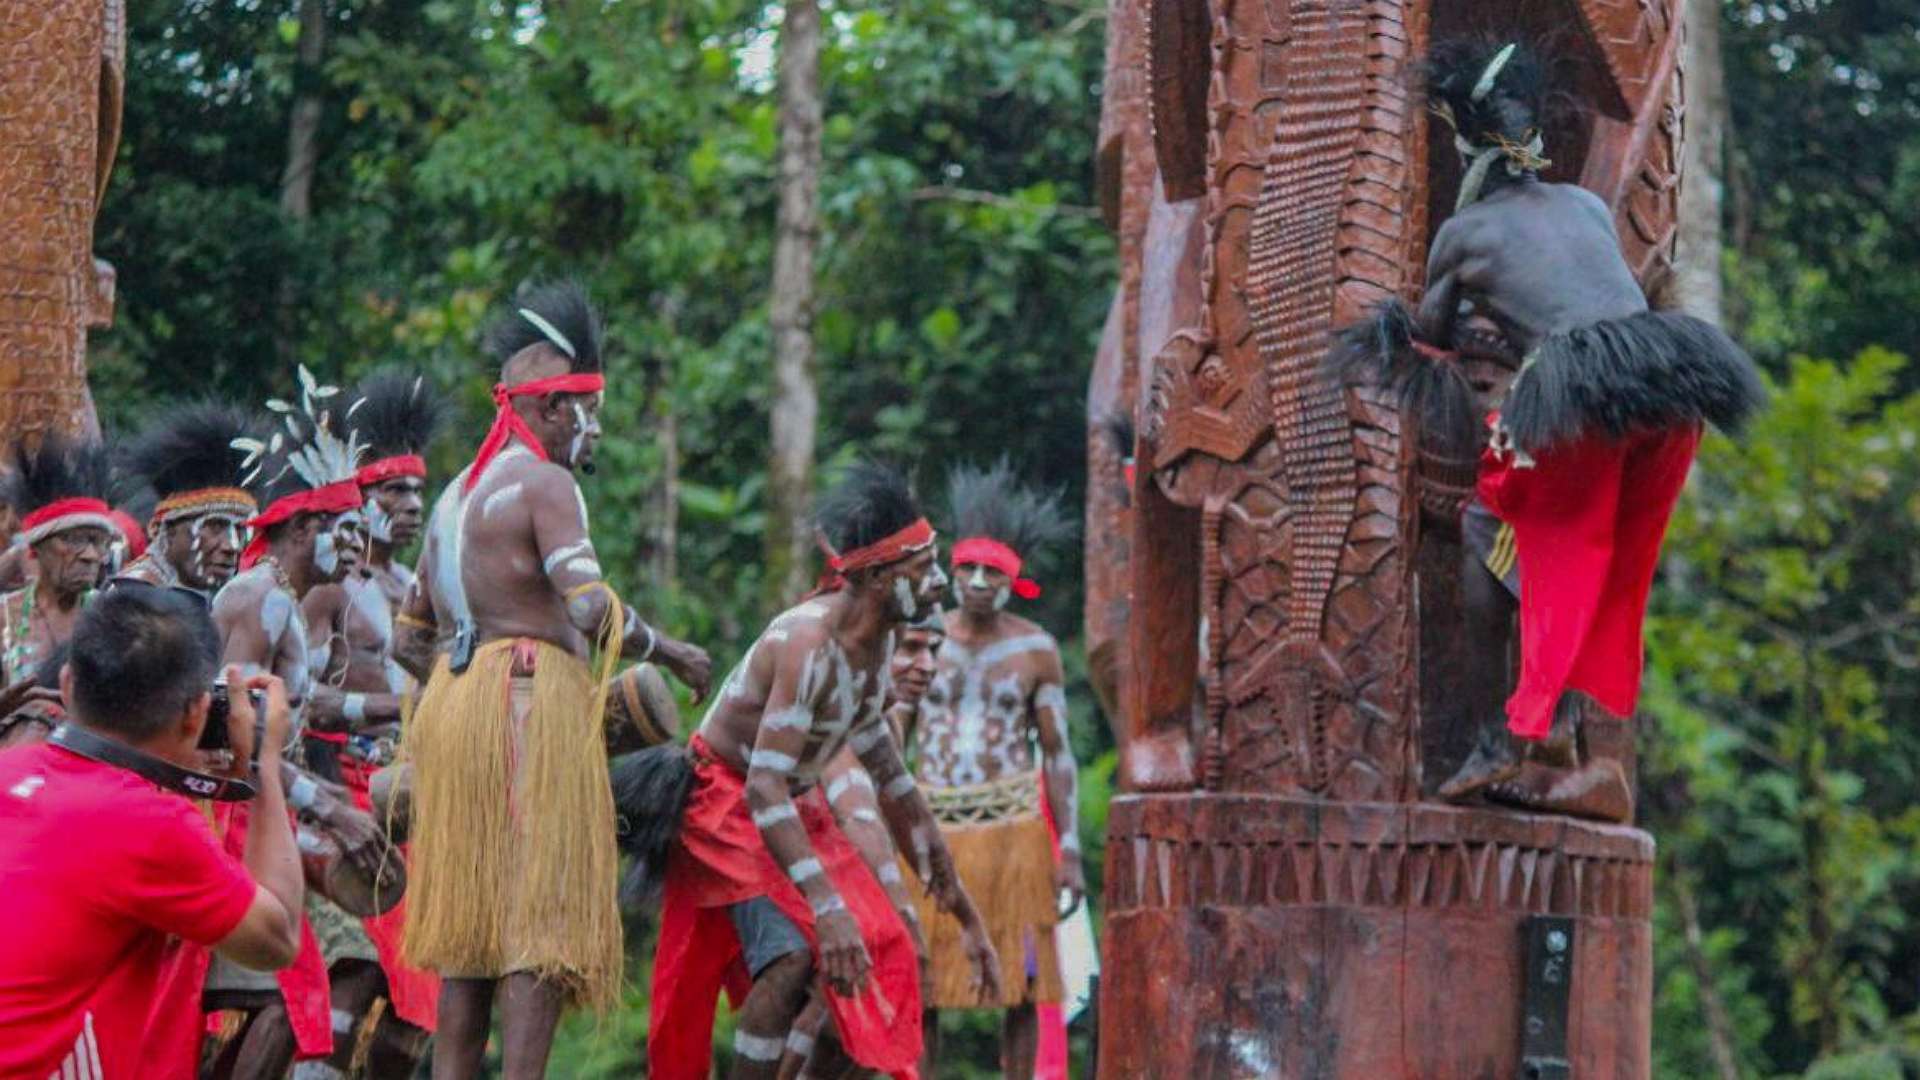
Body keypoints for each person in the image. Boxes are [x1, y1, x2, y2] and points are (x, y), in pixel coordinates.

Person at [1329, 38, 1765, 804]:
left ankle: (1501, 738)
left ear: (1465, 146)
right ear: (1531, 142)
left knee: (1482, 530)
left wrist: (1420, 322)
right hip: (1669, 382)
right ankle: (1557, 717)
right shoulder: (1586, 205)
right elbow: (1593, 296)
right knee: (1577, 547)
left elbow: (1433, 332)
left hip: (1579, 393)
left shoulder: (1463, 235)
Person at [401, 282, 711, 1080]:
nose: (594, 430)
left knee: (468, 926)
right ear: (546, 410)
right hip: (528, 703)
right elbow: (589, 605)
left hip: (455, 706)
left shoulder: (451, 498)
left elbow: (410, 637)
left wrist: (460, 697)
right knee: (539, 913)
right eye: (587, 411)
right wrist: (670, 651)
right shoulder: (545, 484)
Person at [642, 461, 999, 1080]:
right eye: (925, 569)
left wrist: (968, 920)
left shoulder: (877, 648)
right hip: (722, 800)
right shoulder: (809, 646)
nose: (941, 584)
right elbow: (763, 785)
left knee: (884, 951)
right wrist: (827, 908)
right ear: (881, 579)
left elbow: (898, 791)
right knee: (794, 955)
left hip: (786, 805)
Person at [0, 585, 304, 1080]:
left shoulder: (8, 768)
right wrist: (265, 765)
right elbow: (277, 938)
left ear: (69, 683)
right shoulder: (150, 826)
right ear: (195, 713)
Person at [199, 369, 386, 1079]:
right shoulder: (259, 600)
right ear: (306, 528)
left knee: (303, 987)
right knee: (291, 988)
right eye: (346, 530)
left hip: (264, 811)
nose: (359, 546)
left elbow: (272, 742)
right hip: (229, 821)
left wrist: (326, 807)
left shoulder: (288, 603)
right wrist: (329, 810)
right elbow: (226, 740)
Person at [902, 459, 1080, 1080]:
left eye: (992, 572)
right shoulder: (919, 641)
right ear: (950, 573)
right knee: (924, 984)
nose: (978, 582)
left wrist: (1073, 851)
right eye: (968, 568)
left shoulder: (1036, 650)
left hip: (1015, 833)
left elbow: (1058, 754)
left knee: (1026, 982)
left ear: (1013, 581)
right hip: (933, 831)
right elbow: (888, 743)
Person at [298, 368, 449, 1076]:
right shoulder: (333, 587)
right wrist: (400, 708)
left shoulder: (418, 588)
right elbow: (308, 703)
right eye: (395, 490)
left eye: (419, 490)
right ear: (363, 496)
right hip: (343, 787)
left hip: (413, 797)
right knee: (355, 976)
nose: (412, 504)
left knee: (423, 999)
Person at [0, 435, 121, 687]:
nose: (90, 555)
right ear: (36, 547)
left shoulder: (111, 615)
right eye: (73, 539)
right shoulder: (5, 617)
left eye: (98, 542)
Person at [115, 400, 259, 595]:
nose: (232, 546)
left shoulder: (207, 595)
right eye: (215, 526)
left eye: (240, 529)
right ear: (161, 530)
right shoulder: (136, 596)